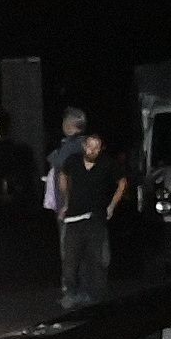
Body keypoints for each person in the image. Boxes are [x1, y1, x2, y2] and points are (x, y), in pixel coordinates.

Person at [54, 127, 130, 307]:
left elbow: (122, 182)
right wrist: (65, 201)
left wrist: (111, 206)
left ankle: (94, 296)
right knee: (70, 259)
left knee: (96, 259)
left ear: (101, 148)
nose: (92, 151)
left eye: (96, 148)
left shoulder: (107, 164)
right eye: (90, 147)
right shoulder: (73, 161)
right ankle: (71, 293)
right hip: (73, 218)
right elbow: (62, 175)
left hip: (96, 218)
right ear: (84, 145)